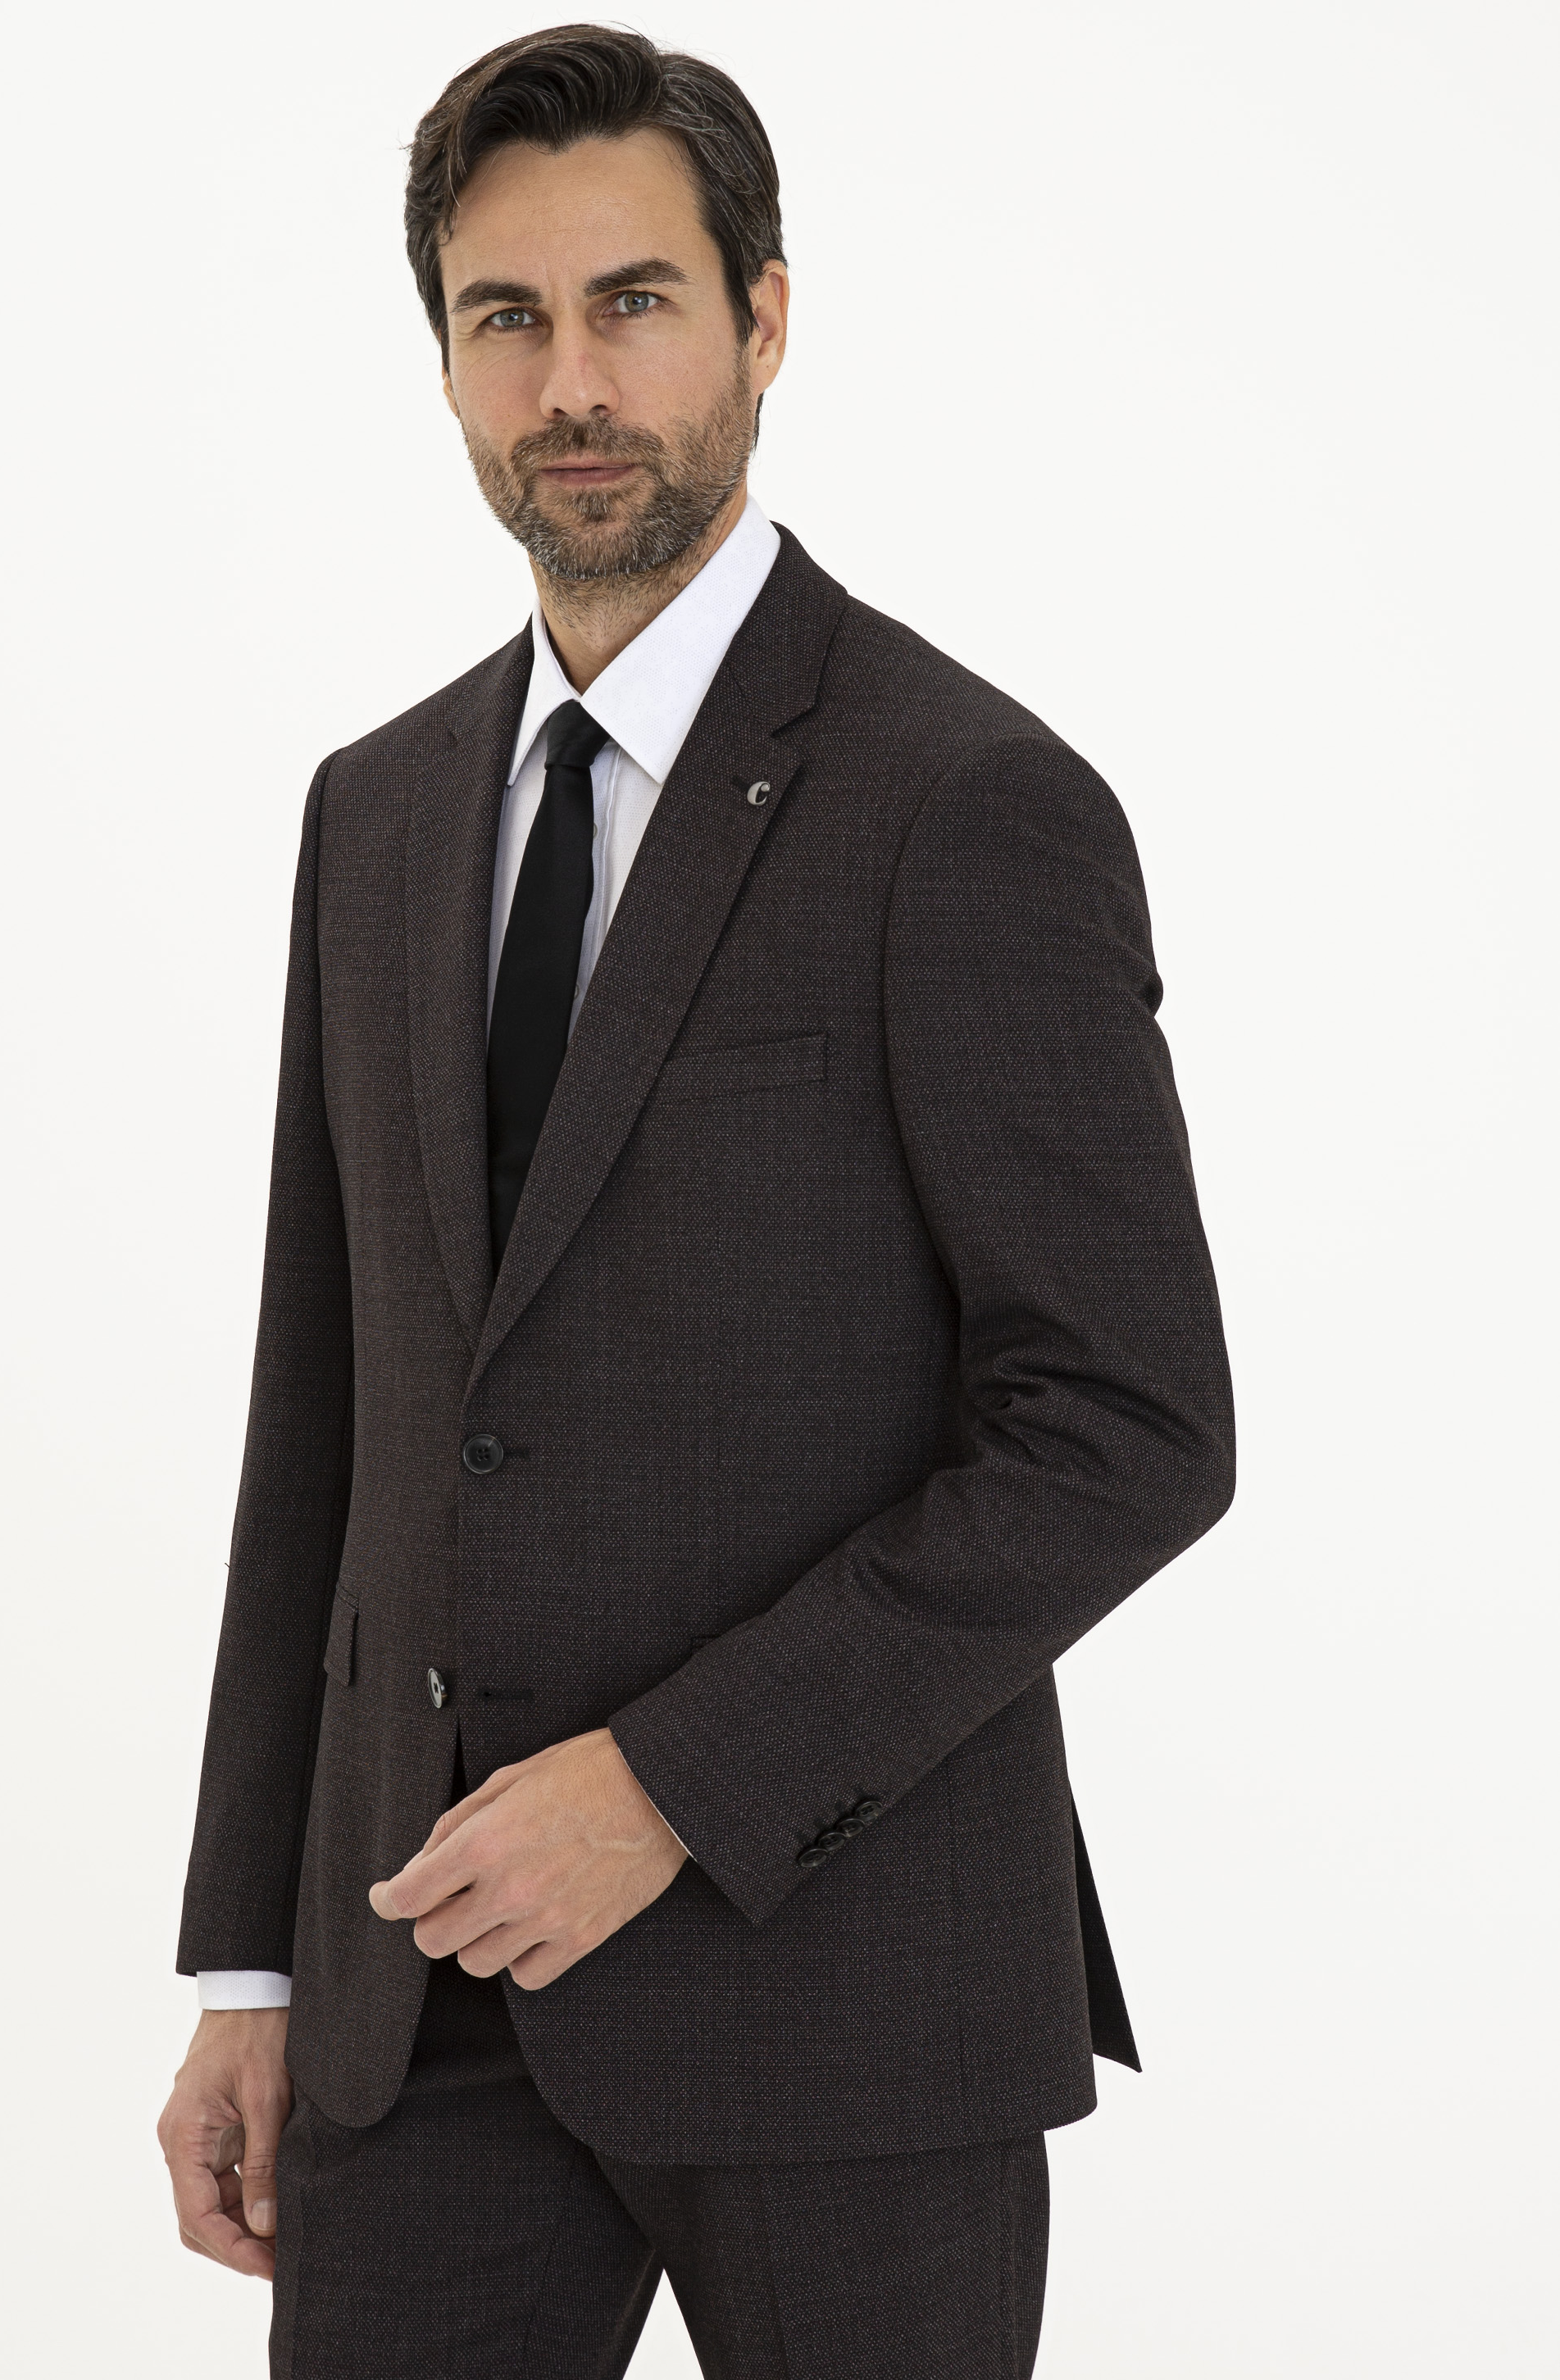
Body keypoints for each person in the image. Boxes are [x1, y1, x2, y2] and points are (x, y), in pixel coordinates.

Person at [157, 24, 1235, 2378]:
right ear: (444, 357)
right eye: (506, 317)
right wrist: (252, 1958)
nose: (572, 383)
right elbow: (324, 1422)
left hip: (848, 1997)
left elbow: (1128, 1428)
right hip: (415, 1991)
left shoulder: (969, 803)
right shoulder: (379, 813)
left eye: (633, 302)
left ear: (763, 317)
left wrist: (667, 1787)